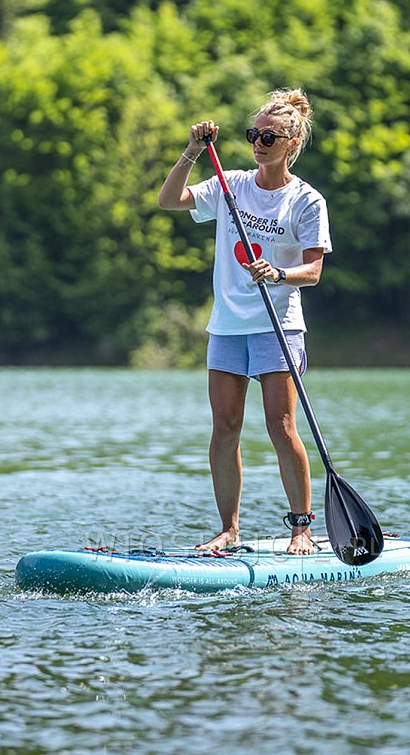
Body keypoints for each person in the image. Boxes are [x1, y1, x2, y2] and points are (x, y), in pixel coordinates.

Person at [158, 88, 332, 555]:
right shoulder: (229, 183)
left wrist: (277, 272)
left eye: (269, 137)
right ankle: (228, 529)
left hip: (279, 325)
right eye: (253, 134)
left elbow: (313, 271)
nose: (258, 142)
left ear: (290, 145)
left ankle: (301, 528)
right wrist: (192, 152)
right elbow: (169, 200)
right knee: (225, 426)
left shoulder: (307, 201)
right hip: (228, 326)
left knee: (280, 427)